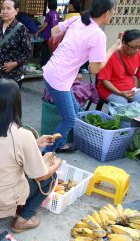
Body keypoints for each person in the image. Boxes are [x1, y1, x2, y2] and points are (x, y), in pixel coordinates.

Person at [0, 79, 62, 233]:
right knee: (50, 177)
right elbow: (40, 176)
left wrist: (36, 143)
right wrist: (56, 165)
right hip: (1, 198)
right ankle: (23, 219)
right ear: (17, 103)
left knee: (21, 170)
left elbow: (3, 150)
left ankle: (19, 210)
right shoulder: (23, 135)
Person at [42, 0, 120, 153]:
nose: (114, 14)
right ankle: (45, 153)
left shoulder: (77, 19)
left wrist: (69, 52)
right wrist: (112, 50)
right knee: (69, 118)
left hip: (53, 70)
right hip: (59, 79)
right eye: (114, 11)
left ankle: (61, 142)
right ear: (106, 13)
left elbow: (54, 31)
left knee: (76, 110)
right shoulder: (98, 35)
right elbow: (94, 69)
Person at [0, 0, 31, 88]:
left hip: (13, 76)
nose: (4, 11)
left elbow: (28, 52)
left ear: (16, 11)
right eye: (3, 8)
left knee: (10, 101)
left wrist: (15, 63)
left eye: (8, 8)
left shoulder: (22, 29)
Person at [97, 29, 140, 105]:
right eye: (133, 47)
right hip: (109, 90)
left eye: (139, 47)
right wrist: (120, 93)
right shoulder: (110, 56)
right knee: (122, 102)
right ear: (123, 43)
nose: (136, 50)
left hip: (130, 89)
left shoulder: (138, 54)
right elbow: (105, 81)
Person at [36, 0, 60, 67]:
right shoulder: (57, 14)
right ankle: (50, 65)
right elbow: (58, 24)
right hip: (54, 35)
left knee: (45, 51)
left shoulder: (49, 14)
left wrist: (38, 31)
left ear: (49, 5)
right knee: (52, 51)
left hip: (47, 35)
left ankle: (43, 65)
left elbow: (45, 25)